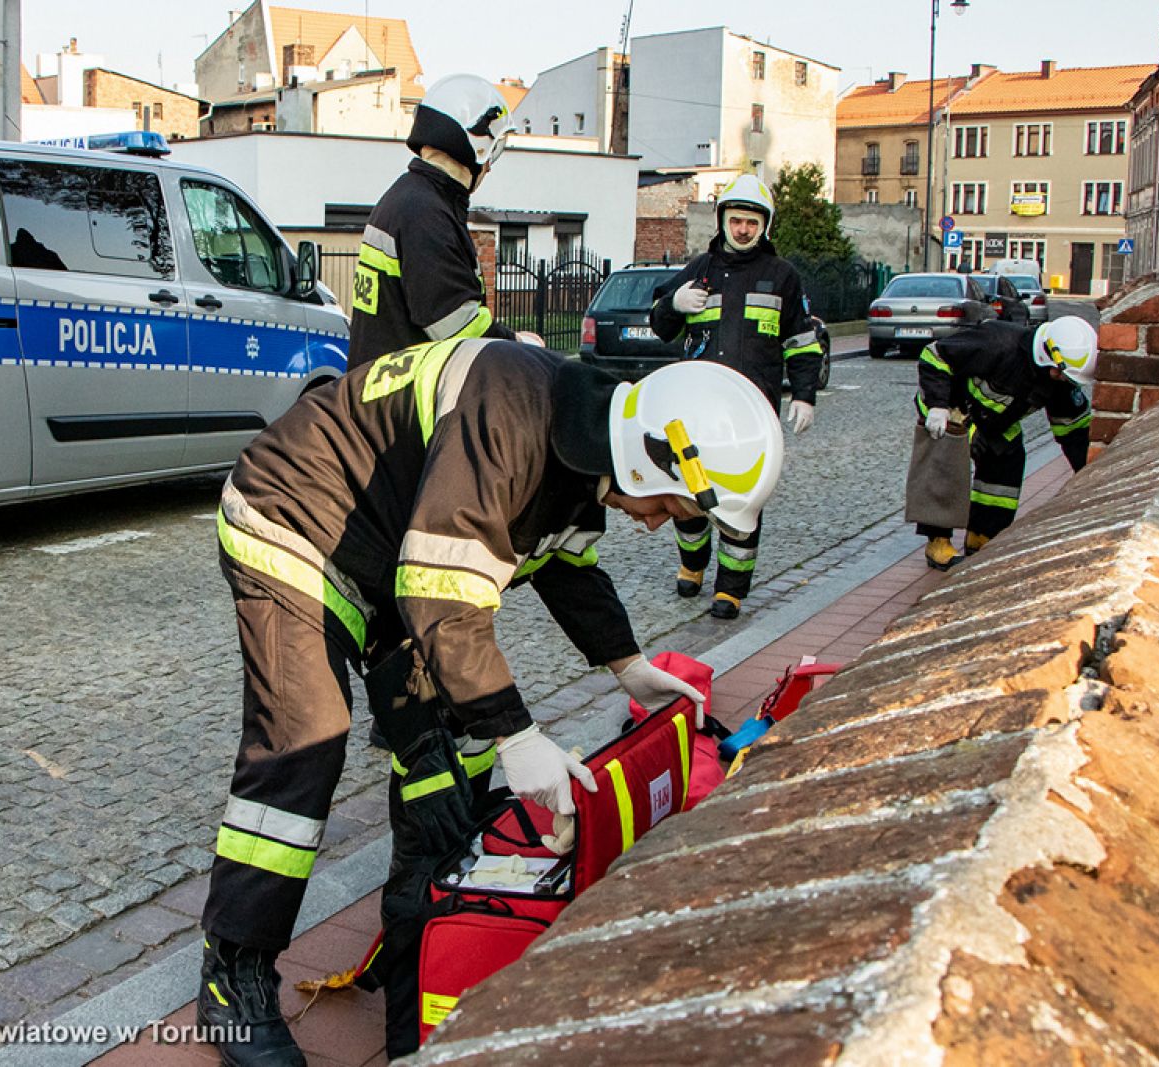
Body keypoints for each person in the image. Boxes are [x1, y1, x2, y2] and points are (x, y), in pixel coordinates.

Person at [196, 337, 784, 1064]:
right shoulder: (509, 418)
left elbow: (567, 567)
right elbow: (440, 596)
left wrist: (627, 664)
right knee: (306, 737)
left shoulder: (585, 447)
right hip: (294, 518)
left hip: (391, 554)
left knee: (453, 745)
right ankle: (233, 976)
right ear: (645, 459)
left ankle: (421, 923)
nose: (661, 521)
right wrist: (519, 734)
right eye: (669, 504)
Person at [648, 173, 824, 620]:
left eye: (751, 222)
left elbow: (802, 343)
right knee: (688, 492)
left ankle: (730, 588)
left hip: (752, 411)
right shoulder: (698, 270)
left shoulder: (782, 277)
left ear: (765, 226)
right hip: (696, 409)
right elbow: (660, 326)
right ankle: (692, 566)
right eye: (736, 220)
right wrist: (673, 304)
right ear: (722, 220)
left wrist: (804, 395)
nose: (743, 229)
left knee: (743, 497)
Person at [347, 74, 530, 370]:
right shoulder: (425, 214)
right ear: (476, 145)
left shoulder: (409, 198)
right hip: (404, 396)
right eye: (494, 151)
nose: (489, 167)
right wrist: (519, 347)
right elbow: (460, 333)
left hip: (383, 389)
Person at [914, 316, 1097, 570]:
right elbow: (935, 355)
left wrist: (1089, 477)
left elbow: (1073, 431)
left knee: (1007, 463)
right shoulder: (998, 341)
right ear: (1046, 353)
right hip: (949, 407)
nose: (1061, 378)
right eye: (1060, 372)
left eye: (1066, 376)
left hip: (995, 422)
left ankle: (983, 536)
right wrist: (937, 405)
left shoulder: (1059, 381)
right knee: (947, 460)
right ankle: (938, 541)